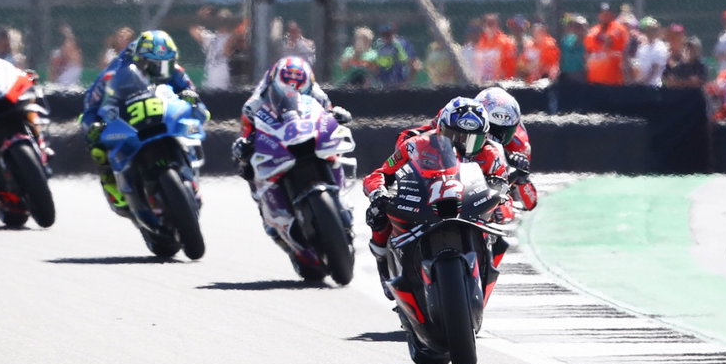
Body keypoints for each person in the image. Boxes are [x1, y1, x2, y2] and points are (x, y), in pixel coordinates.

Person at [363, 97, 523, 296]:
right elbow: (380, 174)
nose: (462, 145)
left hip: (469, 204)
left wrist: (501, 202)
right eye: (454, 137)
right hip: (424, 198)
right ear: (440, 130)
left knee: (500, 232)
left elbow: (502, 185)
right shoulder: (415, 144)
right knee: (378, 211)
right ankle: (382, 262)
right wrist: (378, 192)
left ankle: (484, 273)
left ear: (484, 137)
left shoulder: (491, 153)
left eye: (472, 140)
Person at [229, 57, 352, 271]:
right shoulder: (255, 104)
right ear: (274, 82)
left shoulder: (317, 95)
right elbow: (246, 132)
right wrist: (244, 146)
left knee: (335, 153)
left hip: (309, 139)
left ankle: (340, 200)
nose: (294, 91)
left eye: (300, 87)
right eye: (288, 86)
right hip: (278, 146)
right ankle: (280, 231)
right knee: (250, 173)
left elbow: (328, 115)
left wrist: (337, 116)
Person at [81, 30, 208, 214]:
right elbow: (90, 104)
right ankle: (112, 185)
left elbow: (195, 99)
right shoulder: (116, 70)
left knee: (192, 124)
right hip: (127, 115)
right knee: (96, 144)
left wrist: (192, 100)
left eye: (168, 64)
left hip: (162, 111)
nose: (163, 71)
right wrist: (93, 124)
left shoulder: (173, 68)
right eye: (156, 66)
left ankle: (190, 173)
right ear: (141, 61)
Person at [476, 85, 538, 211]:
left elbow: (530, 203)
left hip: (497, 194)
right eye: (490, 129)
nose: (493, 137)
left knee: (503, 211)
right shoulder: (463, 126)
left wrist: (521, 176)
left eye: (501, 132)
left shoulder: (519, 143)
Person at [189, 8, 237, 90]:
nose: (220, 21)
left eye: (224, 19)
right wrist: (199, 17)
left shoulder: (233, 38)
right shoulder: (212, 39)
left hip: (227, 89)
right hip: (209, 87)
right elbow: (193, 30)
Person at [584, 4, 630, 86]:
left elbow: (609, 42)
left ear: (612, 15)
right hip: (594, 78)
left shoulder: (619, 28)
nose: (605, 16)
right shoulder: (593, 30)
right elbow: (588, 50)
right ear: (598, 15)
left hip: (613, 79)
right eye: (602, 13)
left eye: (608, 13)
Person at [474, 13, 517, 82]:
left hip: (500, 82)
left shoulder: (505, 42)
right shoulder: (481, 42)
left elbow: (510, 67)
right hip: (482, 82)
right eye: (486, 23)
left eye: (492, 23)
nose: (489, 26)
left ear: (497, 25)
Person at [632, 17, 670, 87]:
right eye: (648, 30)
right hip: (640, 85)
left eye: (654, 30)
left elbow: (654, 69)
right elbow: (637, 67)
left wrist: (641, 83)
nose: (650, 32)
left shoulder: (661, 47)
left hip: (654, 86)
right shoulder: (642, 48)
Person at [559, 15, 588, 83]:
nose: (576, 29)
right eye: (573, 26)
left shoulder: (589, 42)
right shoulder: (566, 40)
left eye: (579, 27)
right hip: (565, 76)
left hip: (582, 76)